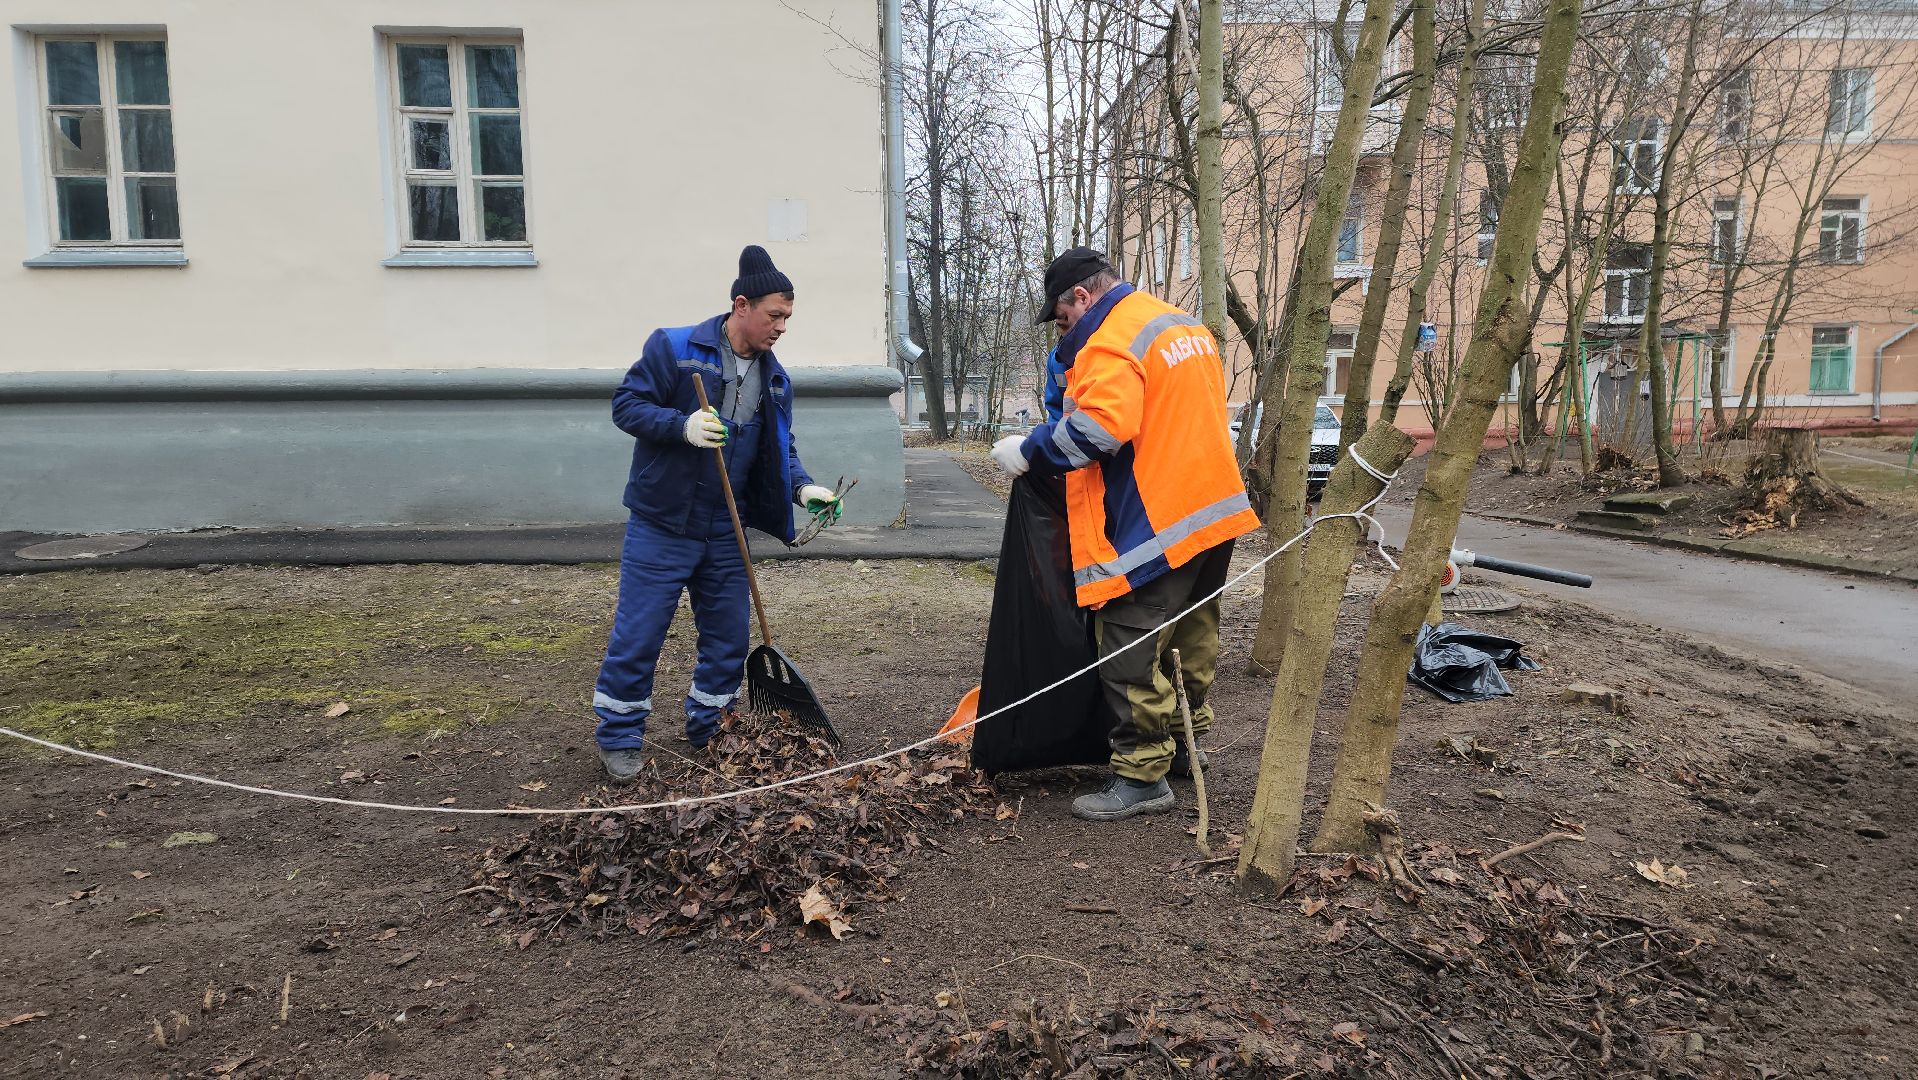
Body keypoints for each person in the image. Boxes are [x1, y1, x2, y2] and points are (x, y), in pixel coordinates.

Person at [990, 247, 1260, 822]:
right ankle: (1185, 747)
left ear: (1082, 297)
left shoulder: (1110, 339)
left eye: (1062, 317)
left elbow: (1099, 428)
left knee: (1128, 642)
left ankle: (1142, 776)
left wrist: (1029, 450)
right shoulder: (1181, 326)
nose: (1064, 329)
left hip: (1155, 519)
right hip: (1212, 509)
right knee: (1193, 635)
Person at [593, 246, 846, 785]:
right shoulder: (675, 348)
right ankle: (618, 736)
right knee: (640, 634)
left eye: (788, 318)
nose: (782, 328)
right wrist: (681, 426)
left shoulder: (775, 381)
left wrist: (804, 491)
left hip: (726, 531)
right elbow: (626, 405)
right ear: (741, 305)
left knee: (729, 637)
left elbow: (782, 447)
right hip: (662, 524)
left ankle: (712, 724)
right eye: (774, 315)